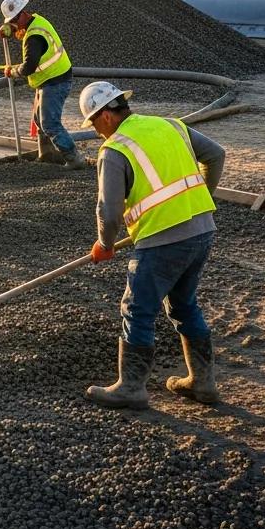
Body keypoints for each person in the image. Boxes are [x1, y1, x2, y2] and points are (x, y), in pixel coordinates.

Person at [79, 80, 225, 410]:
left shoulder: (115, 149)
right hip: (202, 230)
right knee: (184, 305)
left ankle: (131, 388)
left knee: (137, 309)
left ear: (105, 116)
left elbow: (108, 211)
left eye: (94, 126)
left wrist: (105, 243)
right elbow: (216, 155)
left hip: (163, 239)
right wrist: (202, 198)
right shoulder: (170, 125)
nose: (97, 133)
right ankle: (203, 382)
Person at [0, 0, 84, 169]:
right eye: (11, 22)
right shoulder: (36, 21)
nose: (14, 25)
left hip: (55, 80)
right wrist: (12, 30)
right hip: (52, 78)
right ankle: (47, 155)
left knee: (50, 123)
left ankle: (74, 159)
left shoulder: (34, 37)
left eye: (14, 22)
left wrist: (12, 71)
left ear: (22, 14)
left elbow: (29, 67)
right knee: (40, 120)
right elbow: (28, 37)